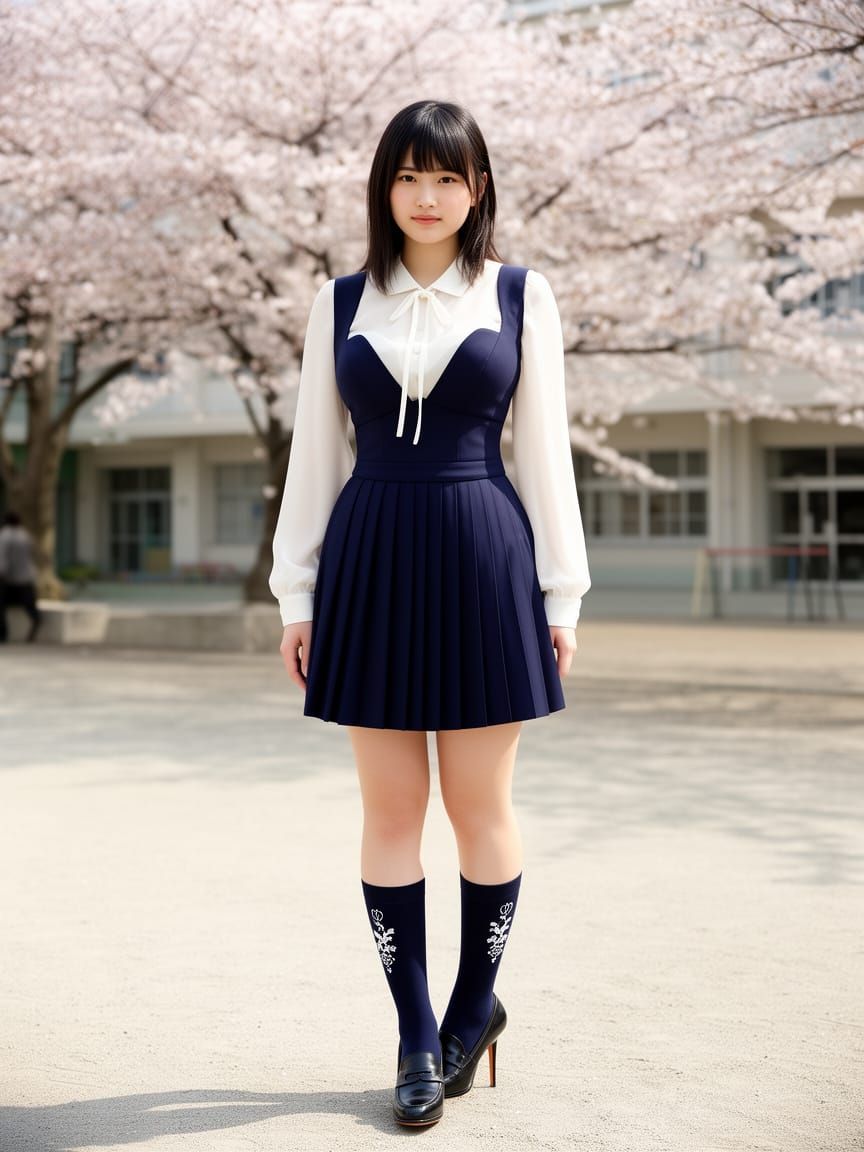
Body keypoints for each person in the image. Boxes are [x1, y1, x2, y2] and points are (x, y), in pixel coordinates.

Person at [269, 100, 591, 1128]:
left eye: (447, 178)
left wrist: (563, 594)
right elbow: (313, 458)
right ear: (385, 188)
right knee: (391, 812)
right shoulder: (339, 304)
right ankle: (414, 1034)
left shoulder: (517, 295)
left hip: (486, 557)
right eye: (408, 176)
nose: (427, 196)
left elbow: (546, 457)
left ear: (477, 189)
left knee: (480, 808)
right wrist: (297, 591)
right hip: (370, 558)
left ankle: (470, 1010)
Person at [0, 510, 42, 644]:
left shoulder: (5, 535)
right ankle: (34, 627)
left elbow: (3, 558)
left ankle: (3, 635)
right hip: (27, 578)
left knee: (1, 608)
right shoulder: (25, 535)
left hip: (10, 580)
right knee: (31, 608)